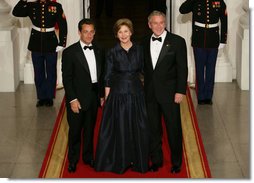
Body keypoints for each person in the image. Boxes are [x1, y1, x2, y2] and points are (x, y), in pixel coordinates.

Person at [95, 18, 149, 174]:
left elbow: (145, 71)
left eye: (126, 31)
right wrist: (106, 98)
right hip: (118, 95)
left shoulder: (140, 49)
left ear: (131, 32)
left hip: (137, 94)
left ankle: (137, 159)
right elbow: (107, 76)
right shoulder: (112, 51)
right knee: (121, 128)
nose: (123, 34)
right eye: (120, 32)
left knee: (138, 127)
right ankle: (122, 160)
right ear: (116, 35)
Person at [142, 11, 188, 174]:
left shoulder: (177, 41)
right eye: (155, 23)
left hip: (170, 94)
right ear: (149, 24)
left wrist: (180, 91)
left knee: (173, 129)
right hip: (150, 94)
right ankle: (156, 160)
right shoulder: (144, 41)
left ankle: (176, 162)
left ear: (166, 23)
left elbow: (183, 69)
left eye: (162, 22)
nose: (159, 26)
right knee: (153, 129)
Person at [61, 18, 105, 173]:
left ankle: (88, 157)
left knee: (89, 129)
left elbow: (102, 74)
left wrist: (100, 94)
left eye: (91, 32)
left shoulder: (99, 49)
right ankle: (73, 160)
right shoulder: (70, 52)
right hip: (77, 98)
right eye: (85, 32)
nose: (89, 35)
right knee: (74, 131)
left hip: (93, 96)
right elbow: (67, 78)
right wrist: (72, 99)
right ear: (79, 32)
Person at [12, 0, 67, 107]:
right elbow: (16, 12)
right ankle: (41, 97)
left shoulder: (56, 6)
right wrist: (23, 0)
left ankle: (49, 97)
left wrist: (62, 43)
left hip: (51, 43)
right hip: (36, 43)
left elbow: (63, 24)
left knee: (51, 71)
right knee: (38, 72)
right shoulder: (31, 5)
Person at [179, 0, 228, 105]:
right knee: (199, 68)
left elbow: (224, 20)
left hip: (213, 39)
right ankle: (201, 96)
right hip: (199, 38)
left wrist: (223, 40)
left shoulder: (219, 2)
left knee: (211, 69)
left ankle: (208, 96)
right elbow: (182, 10)